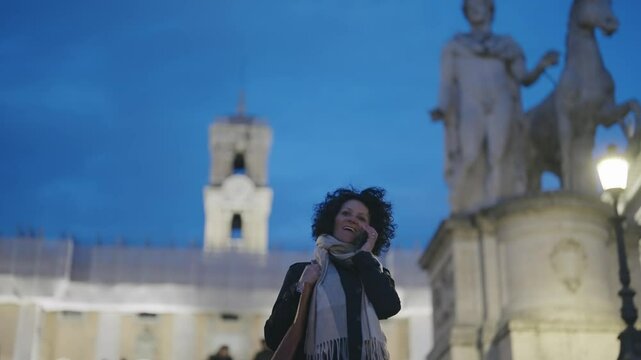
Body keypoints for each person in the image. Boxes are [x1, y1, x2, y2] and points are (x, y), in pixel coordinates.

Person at [430, 0, 559, 213]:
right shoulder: (455, 46)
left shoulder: (507, 45)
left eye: (480, 4)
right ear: (466, 12)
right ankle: (463, 205)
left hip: (501, 102)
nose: (475, 9)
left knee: (500, 152)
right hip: (471, 105)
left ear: (490, 9)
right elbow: (447, 83)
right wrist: (442, 108)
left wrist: (541, 66)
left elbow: (522, 77)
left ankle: (496, 206)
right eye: (470, 6)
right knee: (469, 154)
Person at [264, 187, 401, 359]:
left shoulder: (373, 272)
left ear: (370, 230)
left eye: (361, 218)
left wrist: (365, 255)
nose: (352, 220)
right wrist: (301, 287)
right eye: (346, 213)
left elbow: (388, 308)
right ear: (332, 219)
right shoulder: (301, 271)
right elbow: (273, 337)